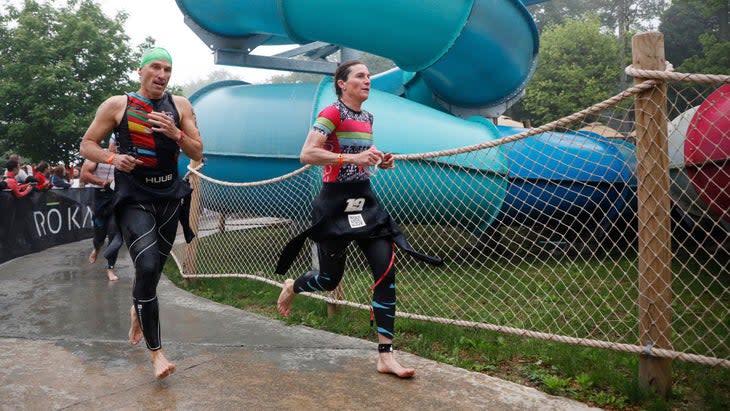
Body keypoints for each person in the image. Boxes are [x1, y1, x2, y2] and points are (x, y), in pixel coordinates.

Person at [275, 61, 443, 379]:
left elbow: (363, 153)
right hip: (334, 205)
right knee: (329, 280)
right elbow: (307, 154)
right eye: (361, 76)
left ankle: (385, 356)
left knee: (386, 275)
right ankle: (292, 285)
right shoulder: (331, 113)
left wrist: (380, 159)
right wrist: (352, 158)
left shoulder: (367, 117)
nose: (367, 81)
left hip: (365, 203)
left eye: (368, 76)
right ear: (342, 83)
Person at [79, 47, 203, 380]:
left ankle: (138, 306)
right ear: (141, 71)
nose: (162, 75)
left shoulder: (180, 106)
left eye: (168, 69)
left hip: (169, 197)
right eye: (156, 68)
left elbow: (197, 150)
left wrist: (175, 133)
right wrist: (111, 158)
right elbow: (87, 144)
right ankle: (157, 353)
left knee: (150, 275)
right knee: (146, 266)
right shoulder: (117, 105)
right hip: (134, 196)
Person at [80, 139, 122, 281]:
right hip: (99, 197)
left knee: (113, 234)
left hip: (116, 198)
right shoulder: (98, 155)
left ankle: (110, 268)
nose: (117, 147)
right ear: (110, 143)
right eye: (115, 143)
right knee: (99, 236)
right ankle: (97, 248)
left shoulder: (124, 158)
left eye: (119, 144)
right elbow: (84, 174)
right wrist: (103, 182)